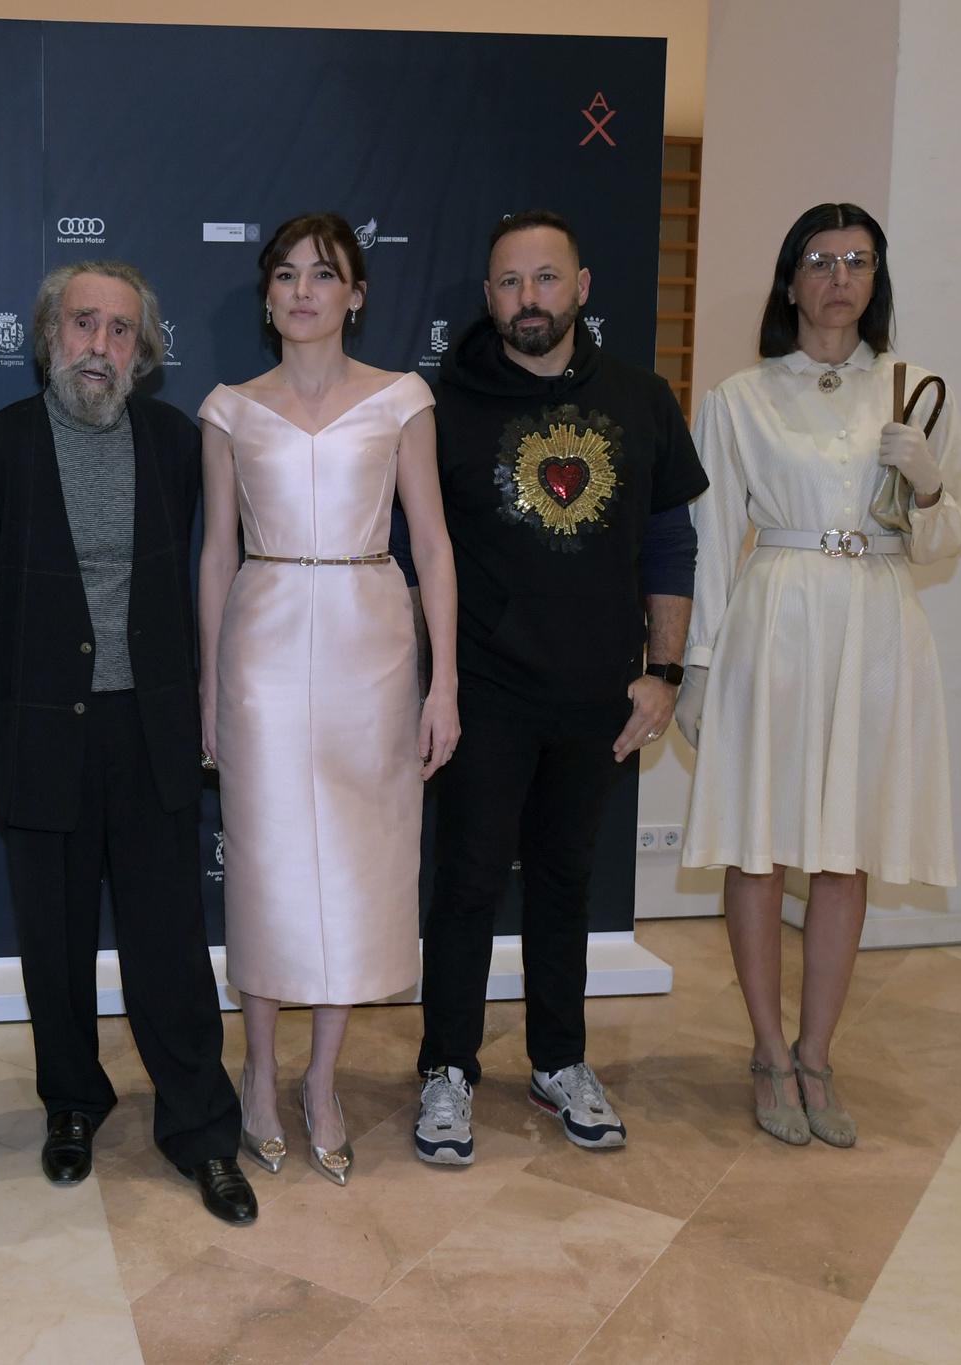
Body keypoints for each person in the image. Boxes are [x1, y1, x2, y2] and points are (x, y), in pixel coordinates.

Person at [0, 262, 257, 1224]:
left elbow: (210, 570)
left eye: (121, 330)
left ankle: (201, 1129)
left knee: (171, 942)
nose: (100, 345)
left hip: (152, 731)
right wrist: (35, 679)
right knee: (54, 937)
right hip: (43, 728)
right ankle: (73, 1105)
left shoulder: (176, 445)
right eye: (83, 324)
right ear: (49, 336)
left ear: (145, 351)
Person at [676, 203, 961, 1148]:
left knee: (846, 847)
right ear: (791, 280)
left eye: (857, 260)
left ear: (876, 278)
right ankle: (768, 1051)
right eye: (820, 259)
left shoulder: (915, 390)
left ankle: (817, 1053)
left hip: (876, 623)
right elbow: (712, 541)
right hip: (777, 618)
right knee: (759, 843)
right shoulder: (739, 396)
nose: (839, 276)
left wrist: (929, 482)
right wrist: (697, 664)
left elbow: (945, 536)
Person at [413, 209, 707, 1164]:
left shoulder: (642, 398)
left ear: (581, 288)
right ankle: (446, 1067)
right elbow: (418, 558)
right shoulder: (442, 405)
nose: (528, 297)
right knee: (465, 883)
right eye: (509, 282)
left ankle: (559, 1060)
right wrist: (433, 681)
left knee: (565, 881)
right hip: (486, 690)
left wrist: (664, 672)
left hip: (599, 696)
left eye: (546, 278)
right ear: (487, 296)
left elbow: (670, 543)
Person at [198, 213, 461, 1186]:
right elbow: (215, 554)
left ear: (356, 294)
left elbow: (433, 546)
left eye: (323, 273)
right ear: (266, 296)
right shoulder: (229, 409)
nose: (302, 290)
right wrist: (207, 683)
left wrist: (443, 681)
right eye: (285, 274)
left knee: (357, 864)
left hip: (371, 646)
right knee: (266, 864)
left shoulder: (401, 399)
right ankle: (259, 1074)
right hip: (262, 647)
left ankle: (322, 1081)